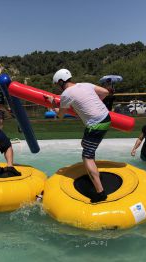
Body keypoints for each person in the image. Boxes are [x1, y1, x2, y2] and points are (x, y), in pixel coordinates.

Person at [45, 69, 113, 203]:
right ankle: (93, 169)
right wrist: (95, 103)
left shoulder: (66, 94)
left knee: (87, 156)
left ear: (60, 82)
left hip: (95, 125)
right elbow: (105, 92)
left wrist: (53, 104)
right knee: (85, 144)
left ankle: (100, 193)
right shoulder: (86, 84)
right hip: (106, 118)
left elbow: (60, 116)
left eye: (57, 84)